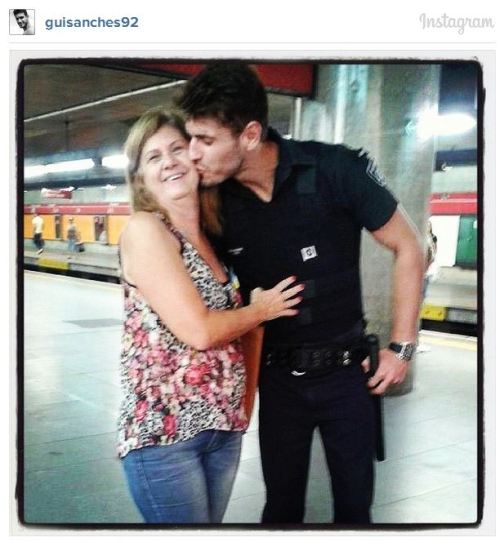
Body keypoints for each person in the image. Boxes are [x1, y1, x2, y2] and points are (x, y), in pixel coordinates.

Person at [179, 62, 425, 524]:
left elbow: (409, 246)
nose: (193, 153)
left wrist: (402, 347)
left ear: (250, 135)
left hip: (349, 376)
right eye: (191, 138)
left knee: (355, 510)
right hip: (277, 381)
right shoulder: (214, 202)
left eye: (206, 140)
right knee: (280, 509)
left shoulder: (335, 169)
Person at [117, 108, 303, 524]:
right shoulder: (146, 230)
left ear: (196, 159)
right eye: (153, 156)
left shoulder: (218, 243)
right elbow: (199, 331)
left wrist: (243, 408)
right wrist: (263, 308)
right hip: (164, 435)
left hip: (221, 429)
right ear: (141, 178)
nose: (169, 162)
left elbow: (251, 333)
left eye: (177, 149)